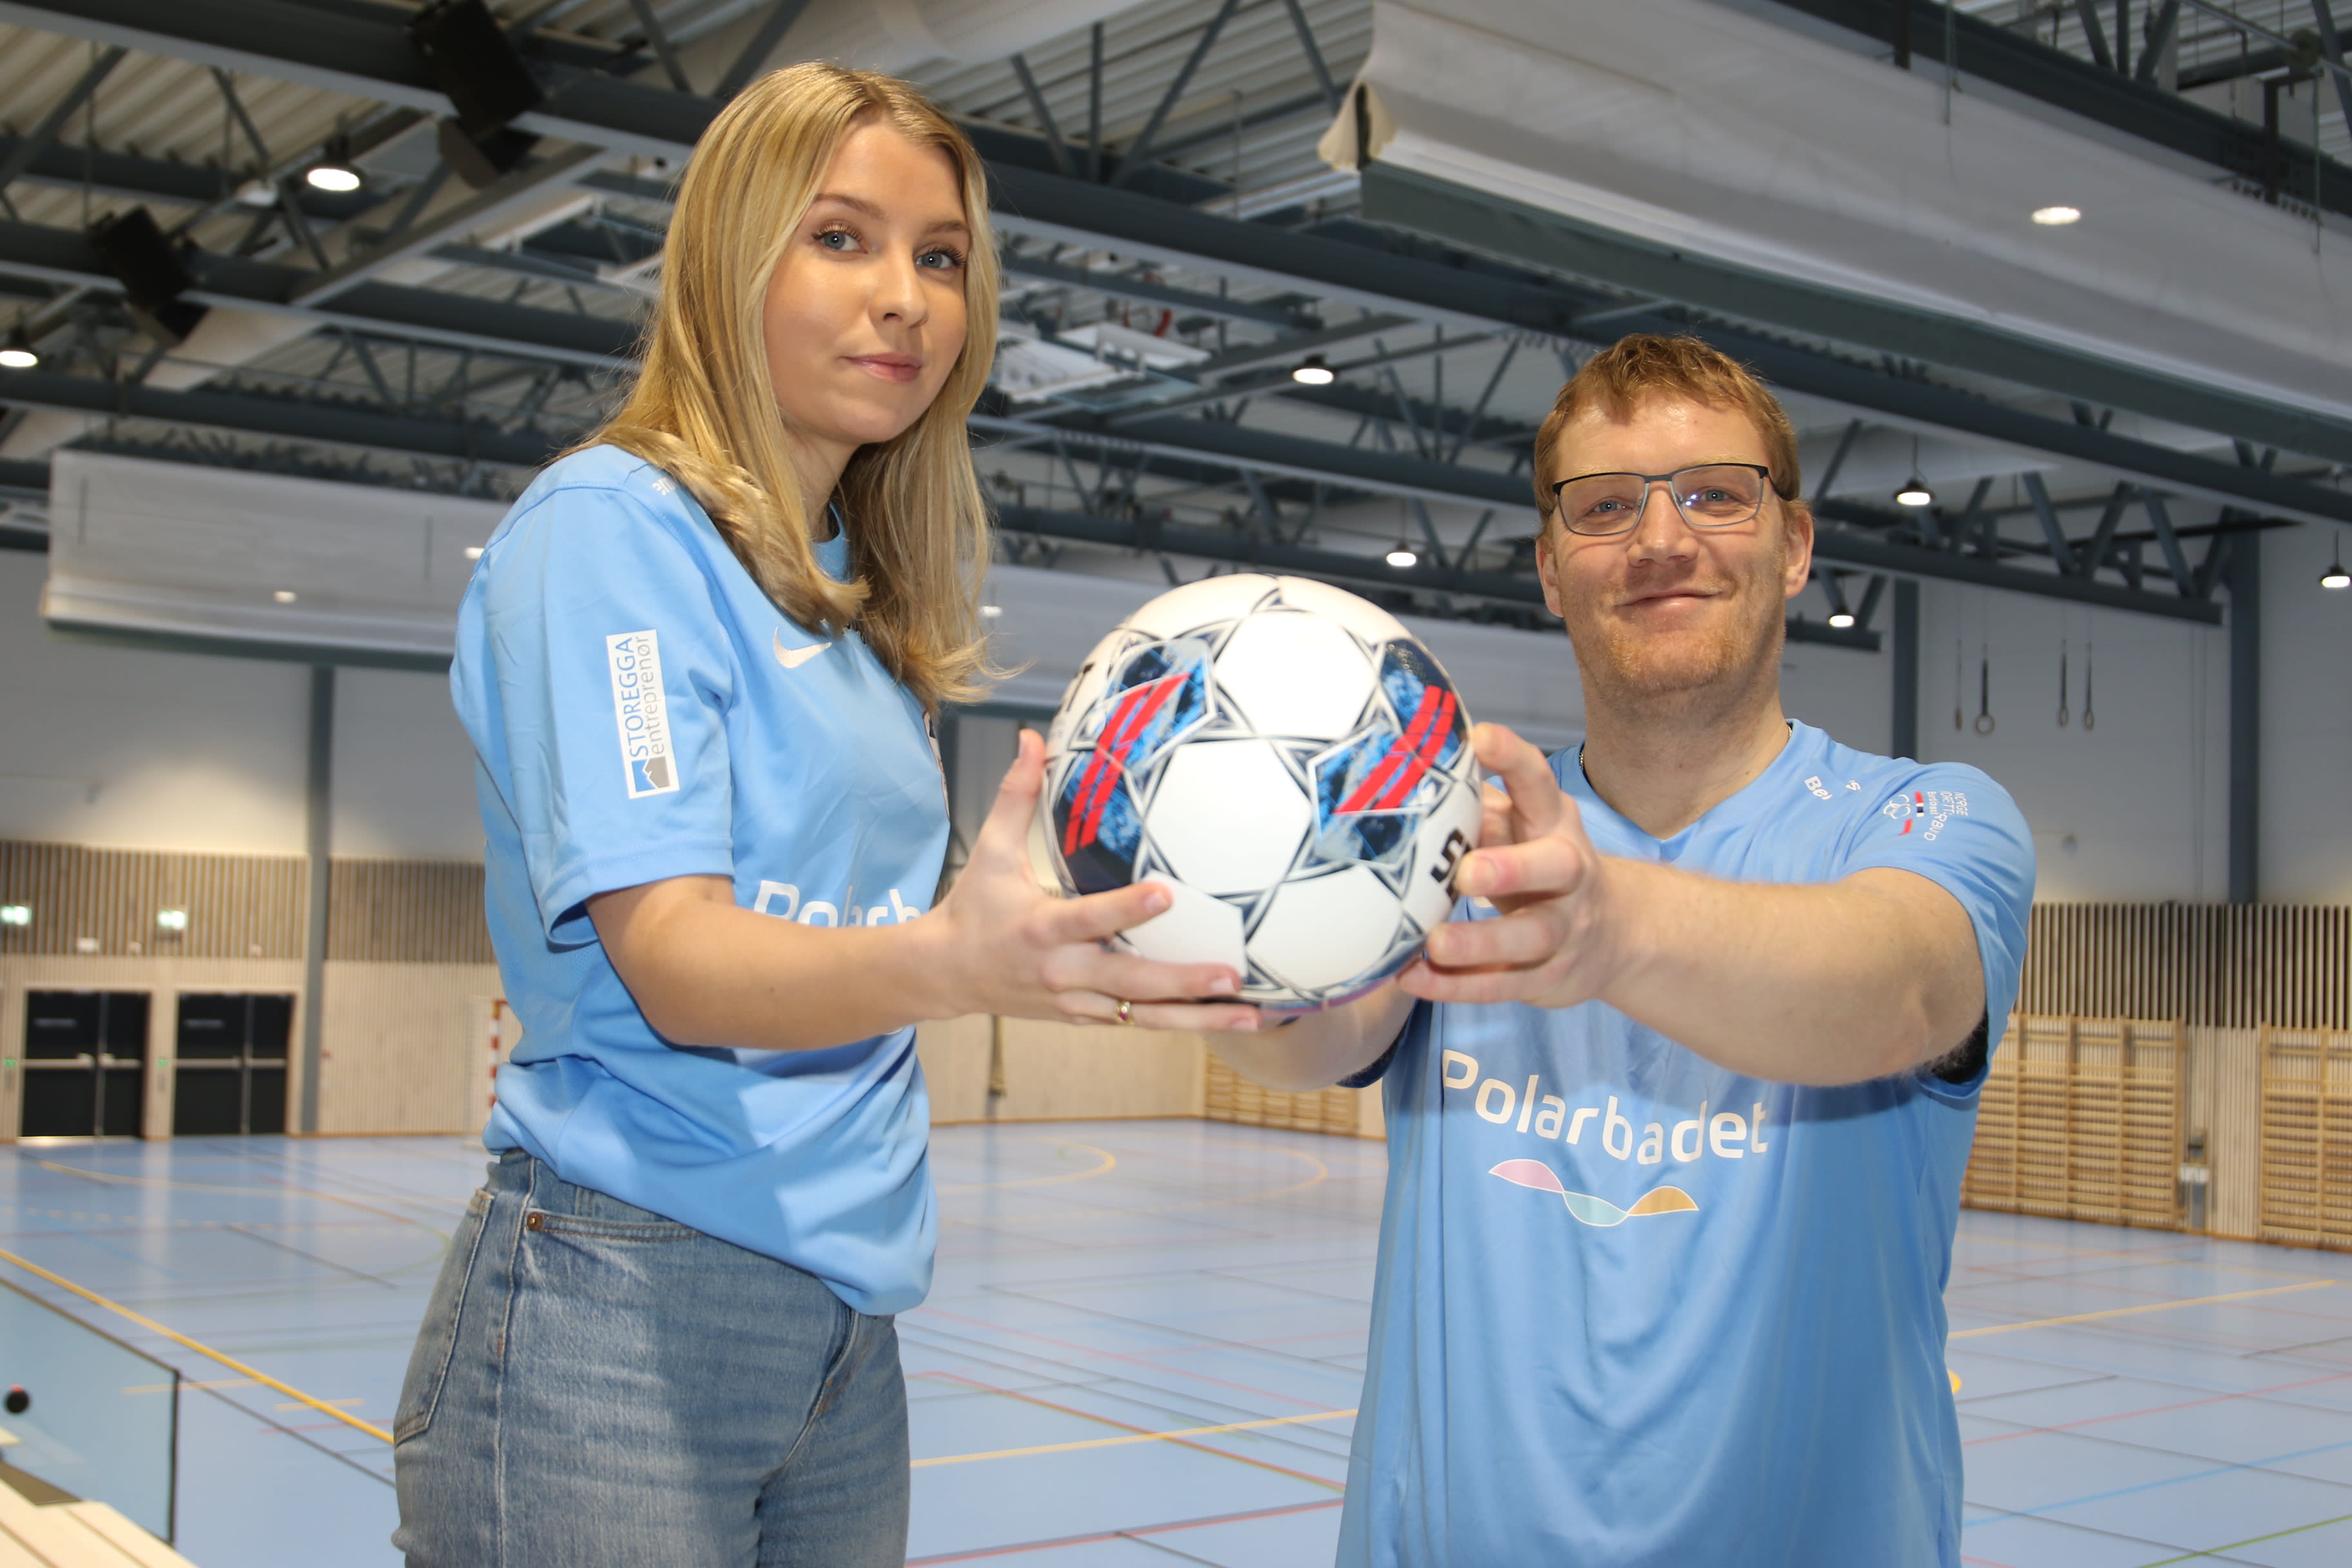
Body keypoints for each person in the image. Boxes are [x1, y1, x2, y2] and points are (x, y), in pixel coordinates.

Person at [391, 63, 1260, 1568]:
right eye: (842, 237)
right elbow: (679, 956)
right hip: (623, 1298)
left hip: (848, 1322)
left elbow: (889, 936)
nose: (907, 298)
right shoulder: (611, 531)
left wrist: (1104, 954)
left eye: (943, 257)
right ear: (734, 260)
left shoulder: (859, 602)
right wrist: (958, 962)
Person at [1217, 335, 2035, 1566]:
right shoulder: (1454, 831)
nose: (1662, 539)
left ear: (1795, 544)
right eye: (1605, 507)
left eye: (1715, 494)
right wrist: (1221, 950)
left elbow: (1901, 987)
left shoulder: (1926, 817)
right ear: (1552, 568)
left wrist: (1609, 925)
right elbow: (1308, 1041)